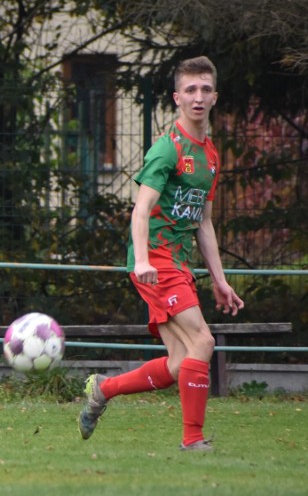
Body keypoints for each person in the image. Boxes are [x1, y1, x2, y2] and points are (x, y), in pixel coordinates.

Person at [77, 56, 244, 452]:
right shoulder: (167, 150)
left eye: (205, 89)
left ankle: (103, 389)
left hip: (177, 263)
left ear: (215, 96)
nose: (198, 97)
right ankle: (193, 441)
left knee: (177, 363)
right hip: (156, 261)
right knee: (203, 341)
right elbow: (140, 208)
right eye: (190, 89)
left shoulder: (211, 156)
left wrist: (219, 280)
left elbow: (203, 222)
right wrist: (142, 260)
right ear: (177, 98)